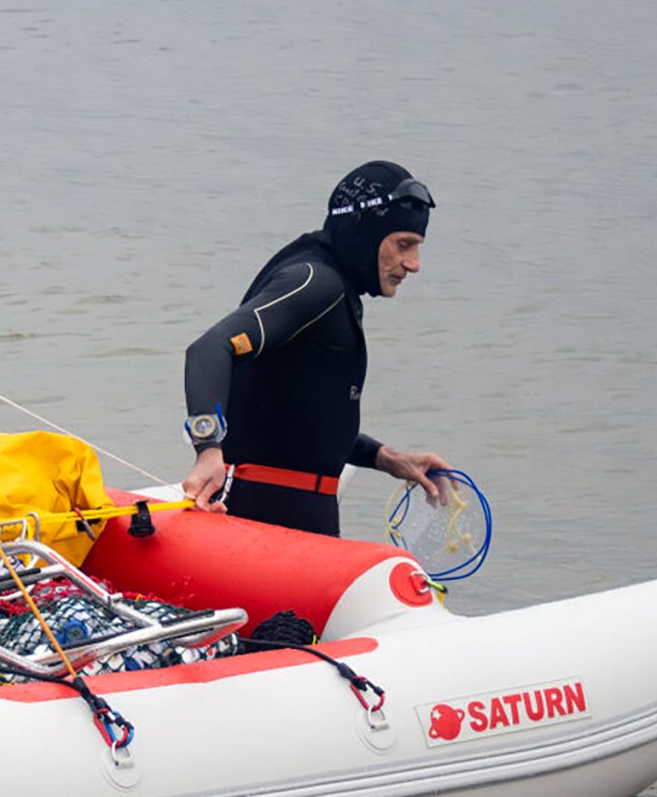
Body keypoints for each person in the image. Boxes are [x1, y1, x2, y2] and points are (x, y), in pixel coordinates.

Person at [179, 160, 452, 536]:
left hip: (297, 520)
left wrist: (384, 458)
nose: (414, 264)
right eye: (404, 245)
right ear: (365, 233)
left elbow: (298, 417)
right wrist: (208, 448)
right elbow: (210, 349)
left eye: (417, 247)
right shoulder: (315, 282)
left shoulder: (335, 288)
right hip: (266, 521)